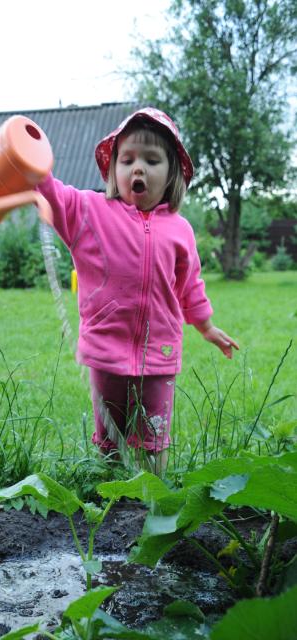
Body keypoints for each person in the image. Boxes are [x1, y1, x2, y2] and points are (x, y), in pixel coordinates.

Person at [37, 107, 239, 473]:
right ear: (114, 169)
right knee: (110, 438)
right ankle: (109, 498)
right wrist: (35, 169)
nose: (138, 168)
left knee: (154, 438)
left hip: (159, 353)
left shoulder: (180, 231)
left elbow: (190, 285)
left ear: (172, 172)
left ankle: (156, 496)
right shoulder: (91, 212)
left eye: (151, 159)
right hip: (106, 351)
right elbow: (57, 198)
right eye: (127, 159)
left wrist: (206, 326)